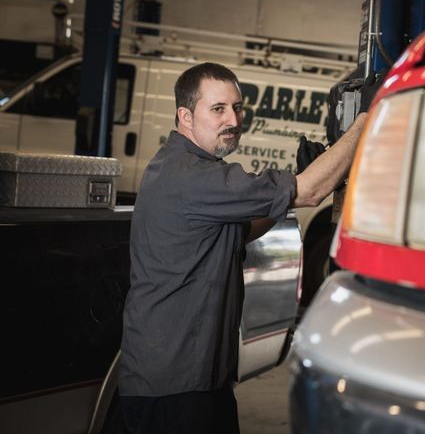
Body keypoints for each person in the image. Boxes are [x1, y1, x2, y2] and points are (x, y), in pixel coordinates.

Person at [118, 62, 382, 434]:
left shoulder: (183, 169)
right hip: (174, 384)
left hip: (191, 376)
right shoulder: (193, 176)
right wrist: (366, 120)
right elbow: (311, 190)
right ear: (185, 116)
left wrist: (285, 198)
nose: (233, 119)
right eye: (218, 109)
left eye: (238, 108)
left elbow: (241, 230)